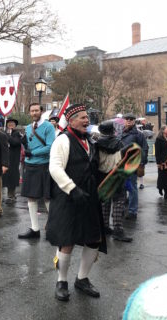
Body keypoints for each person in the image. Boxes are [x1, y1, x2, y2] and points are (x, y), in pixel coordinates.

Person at [47, 104, 106, 302]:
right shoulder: (62, 140)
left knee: (94, 238)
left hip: (89, 196)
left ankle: (82, 279)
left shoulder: (90, 141)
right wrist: (72, 188)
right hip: (68, 196)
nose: (86, 120)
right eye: (81, 117)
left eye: (87, 117)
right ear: (70, 121)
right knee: (67, 241)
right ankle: (61, 281)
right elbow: (55, 168)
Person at [19, 104, 55, 238]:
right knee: (31, 197)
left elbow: (51, 147)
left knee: (47, 197)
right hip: (30, 166)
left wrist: (32, 152)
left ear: (41, 111)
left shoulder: (48, 126)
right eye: (32, 111)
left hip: (43, 165)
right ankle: (35, 229)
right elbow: (28, 145)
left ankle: (54, 227)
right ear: (29, 112)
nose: (34, 113)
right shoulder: (28, 128)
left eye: (36, 110)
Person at [97, 120, 132, 242]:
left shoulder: (96, 144)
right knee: (118, 201)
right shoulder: (119, 143)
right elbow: (125, 160)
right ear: (112, 130)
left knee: (105, 202)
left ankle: (105, 227)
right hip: (116, 175)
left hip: (102, 175)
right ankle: (118, 230)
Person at [120, 113, 148, 220]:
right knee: (121, 188)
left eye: (131, 119)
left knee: (131, 188)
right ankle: (121, 208)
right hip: (121, 164)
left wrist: (141, 163)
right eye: (127, 119)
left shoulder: (138, 134)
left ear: (134, 121)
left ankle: (132, 211)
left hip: (132, 164)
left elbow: (144, 149)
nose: (129, 120)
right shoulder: (120, 132)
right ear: (124, 120)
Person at [2, 118, 22, 205]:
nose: (10, 124)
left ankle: (11, 196)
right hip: (4, 158)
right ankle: (3, 196)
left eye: (12, 123)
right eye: (9, 123)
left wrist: (7, 135)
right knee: (4, 178)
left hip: (13, 159)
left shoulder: (17, 134)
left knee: (11, 178)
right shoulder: (3, 133)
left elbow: (14, 142)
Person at [155, 125, 167, 200]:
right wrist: (159, 162)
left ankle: (166, 191)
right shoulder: (159, 139)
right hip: (162, 161)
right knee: (163, 177)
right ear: (163, 130)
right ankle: (164, 191)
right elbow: (157, 152)